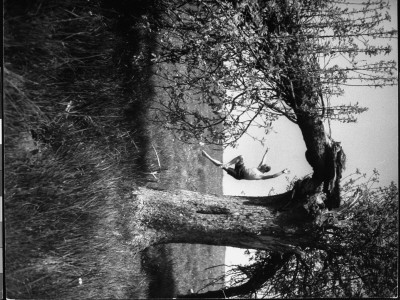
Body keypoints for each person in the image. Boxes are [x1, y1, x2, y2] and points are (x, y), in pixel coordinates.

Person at [201, 148, 289, 180]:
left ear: (264, 169)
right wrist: (266, 152)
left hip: (239, 175)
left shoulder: (261, 176)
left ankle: (206, 156)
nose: (263, 164)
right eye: (263, 164)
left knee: (221, 165)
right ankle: (227, 164)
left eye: (264, 166)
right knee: (241, 156)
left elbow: (273, 176)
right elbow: (263, 160)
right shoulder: (259, 168)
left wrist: (282, 172)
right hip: (242, 168)